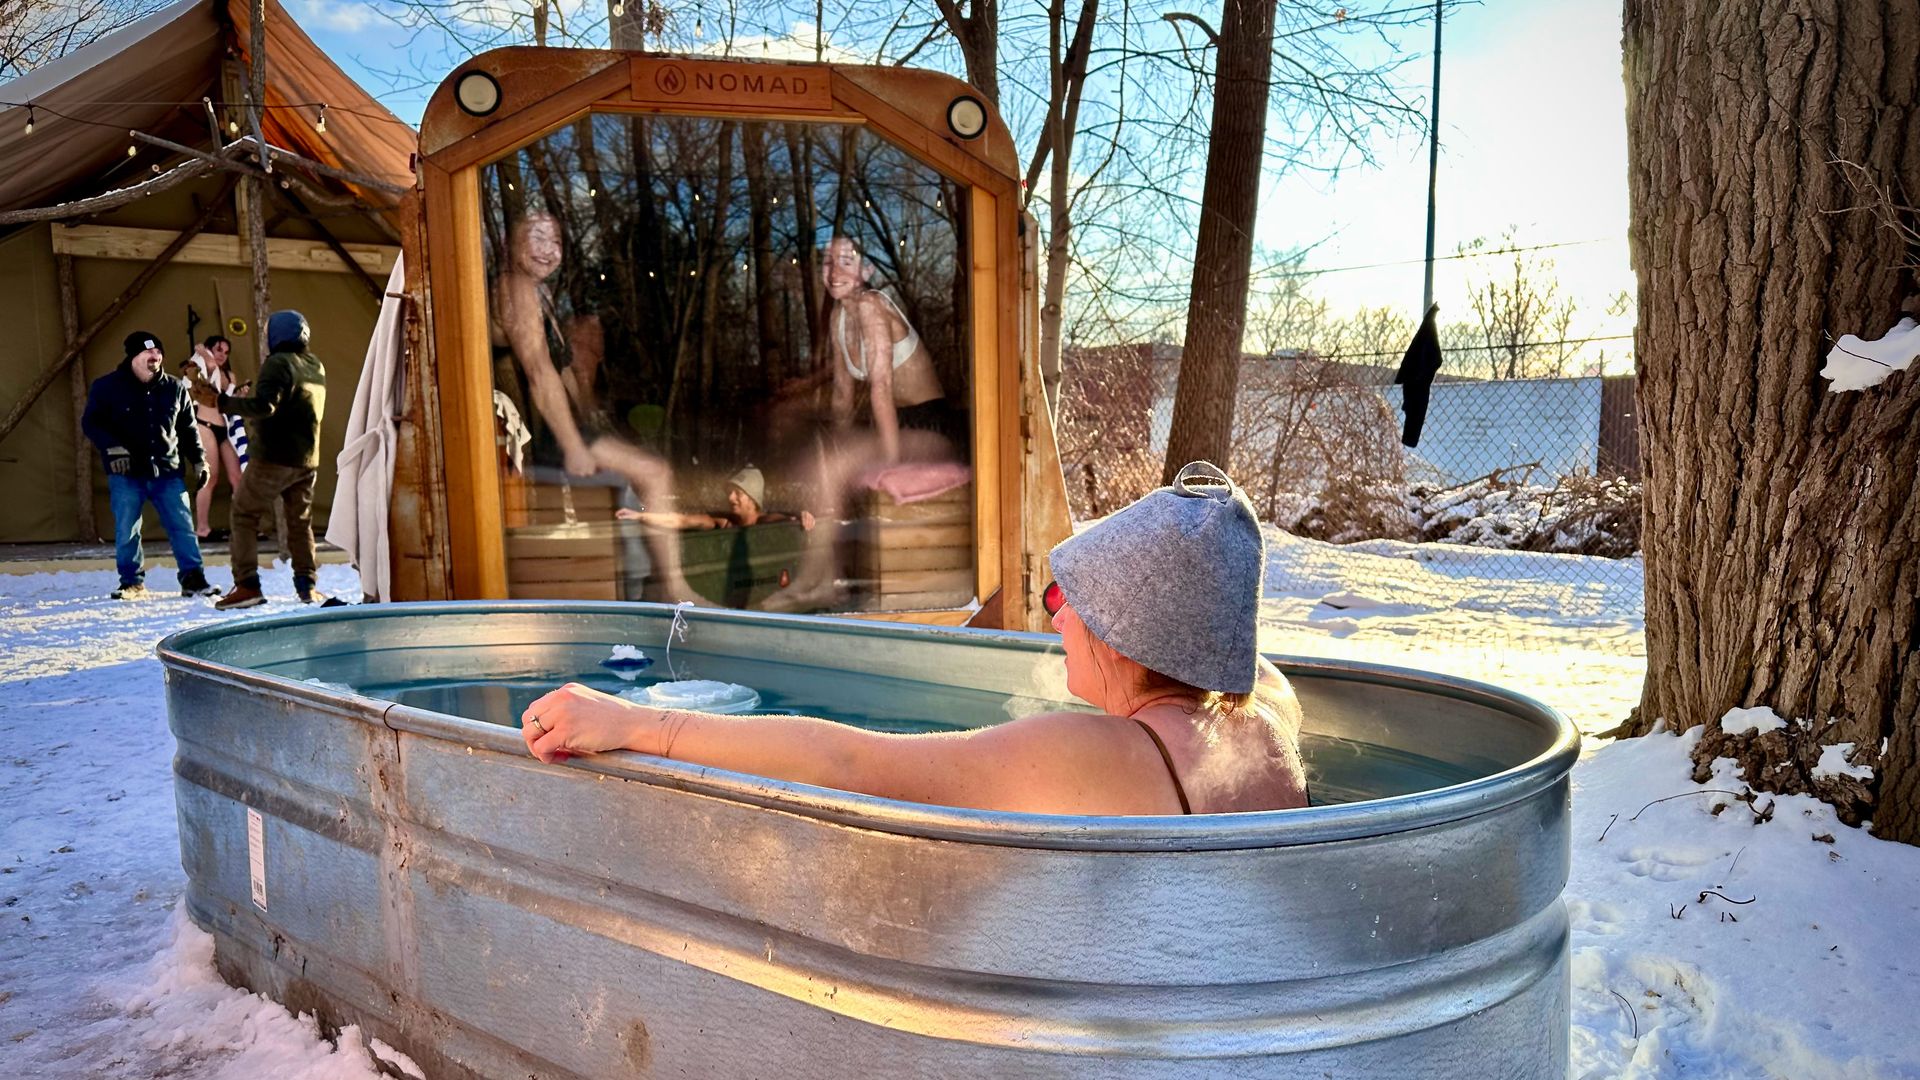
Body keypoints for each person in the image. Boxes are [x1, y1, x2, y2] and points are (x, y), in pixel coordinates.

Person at [520, 462, 1309, 815]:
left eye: (1070, 599)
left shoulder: (1100, 755)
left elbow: (851, 762)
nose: (1056, 617)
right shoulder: (1266, 716)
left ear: (1130, 637)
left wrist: (638, 723)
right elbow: (1218, 631)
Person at [491, 212, 708, 603]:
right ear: (511, 245)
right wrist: (574, 444)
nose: (549, 250)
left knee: (639, 481)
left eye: (555, 240)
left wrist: (593, 420)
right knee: (654, 473)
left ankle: (646, 589)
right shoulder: (516, 288)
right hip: (540, 436)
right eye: (537, 238)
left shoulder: (538, 295)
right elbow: (540, 374)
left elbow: (564, 374)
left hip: (556, 428)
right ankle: (673, 589)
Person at [768, 235, 965, 611]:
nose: (835, 271)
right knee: (820, 462)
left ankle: (815, 581)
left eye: (846, 260)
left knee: (836, 464)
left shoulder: (873, 306)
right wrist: (835, 446)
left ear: (866, 270)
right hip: (897, 424)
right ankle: (823, 579)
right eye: (827, 262)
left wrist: (885, 464)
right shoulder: (841, 316)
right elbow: (842, 395)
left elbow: (881, 388)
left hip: (931, 425)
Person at [196, 310, 326, 609]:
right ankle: (307, 586)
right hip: (306, 460)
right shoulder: (314, 364)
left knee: (243, 515)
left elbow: (265, 406)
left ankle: (247, 586)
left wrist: (221, 402)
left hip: (273, 457)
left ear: (276, 335)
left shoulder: (278, 362)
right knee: (300, 523)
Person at [81, 331, 219, 600]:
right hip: (126, 472)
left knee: (183, 526)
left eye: (158, 352)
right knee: (127, 528)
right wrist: (113, 448)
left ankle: (194, 579)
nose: (154, 357)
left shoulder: (175, 388)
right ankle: (132, 582)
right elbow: (91, 423)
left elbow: (188, 430)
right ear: (133, 357)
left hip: (167, 471)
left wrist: (200, 461)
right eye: (147, 353)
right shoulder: (106, 387)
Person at [182, 335, 246, 541]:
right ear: (209, 349)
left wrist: (239, 395)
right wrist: (201, 351)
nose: (222, 355)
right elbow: (194, 381)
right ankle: (201, 528)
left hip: (224, 428)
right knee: (210, 478)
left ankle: (242, 527)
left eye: (226, 352)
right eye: (219, 350)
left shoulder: (229, 374)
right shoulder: (199, 362)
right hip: (204, 425)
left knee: (238, 477)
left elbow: (226, 402)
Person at [615, 466, 815, 532]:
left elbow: (784, 520)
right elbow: (680, 520)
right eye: (730, 492)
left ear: (753, 499)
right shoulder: (723, 521)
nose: (730, 497)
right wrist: (640, 515)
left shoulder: (763, 522)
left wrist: (801, 516)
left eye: (738, 493)